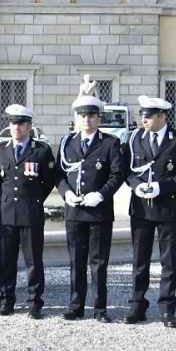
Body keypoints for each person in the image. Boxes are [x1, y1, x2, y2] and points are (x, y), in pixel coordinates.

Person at [56, 95, 125, 323]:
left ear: (98, 118)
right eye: (83, 115)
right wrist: (66, 193)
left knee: (98, 262)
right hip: (74, 211)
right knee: (76, 260)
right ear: (77, 117)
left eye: (92, 115)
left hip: (98, 211)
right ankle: (76, 306)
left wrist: (101, 195)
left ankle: (99, 308)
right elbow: (59, 173)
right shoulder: (68, 142)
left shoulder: (109, 143)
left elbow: (118, 174)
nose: (87, 119)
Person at [123, 96, 176, 328]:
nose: (143, 120)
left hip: (168, 208)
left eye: (148, 116)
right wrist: (136, 184)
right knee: (139, 261)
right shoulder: (135, 139)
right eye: (142, 116)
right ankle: (137, 305)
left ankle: (167, 309)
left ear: (162, 116)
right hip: (140, 209)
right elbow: (126, 170)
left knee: (168, 262)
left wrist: (162, 186)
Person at [0, 105, 56, 319]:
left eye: (21, 123)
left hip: (30, 212)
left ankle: (34, 302)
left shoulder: (41, 150)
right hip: (6, 212)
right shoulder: (0, 149)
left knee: (33, 261)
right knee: (6, 260)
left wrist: (35, 200)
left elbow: (48, 182)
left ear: (29, 126)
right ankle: (6, 300)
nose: (16, 127)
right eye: (12, 123)